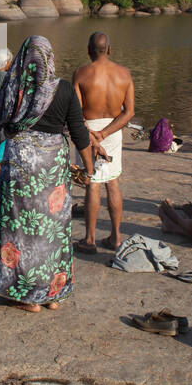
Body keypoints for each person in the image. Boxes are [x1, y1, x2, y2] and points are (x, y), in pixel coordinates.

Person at [0, 36, 94, 313]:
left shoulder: (14, 87)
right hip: (52, 168)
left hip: (20, 164)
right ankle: (50, 294)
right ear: (49, 60)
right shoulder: (65, 89)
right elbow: (79, 131)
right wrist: (88, 168)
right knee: (52, 229)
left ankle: (23, 293)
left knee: (18, 228)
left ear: (23, 59)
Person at [72, 32, 135, 253]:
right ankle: (116, 238)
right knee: (113, 181)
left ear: (89, 50)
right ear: (109, 49)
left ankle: (89, 240)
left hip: (89, 131)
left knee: (92, 182)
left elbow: (76, 113)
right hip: (113, 131)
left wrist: (93, 134)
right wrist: (107, 132)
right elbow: (129, 112)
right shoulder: (124, 74)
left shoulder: (80, 74)